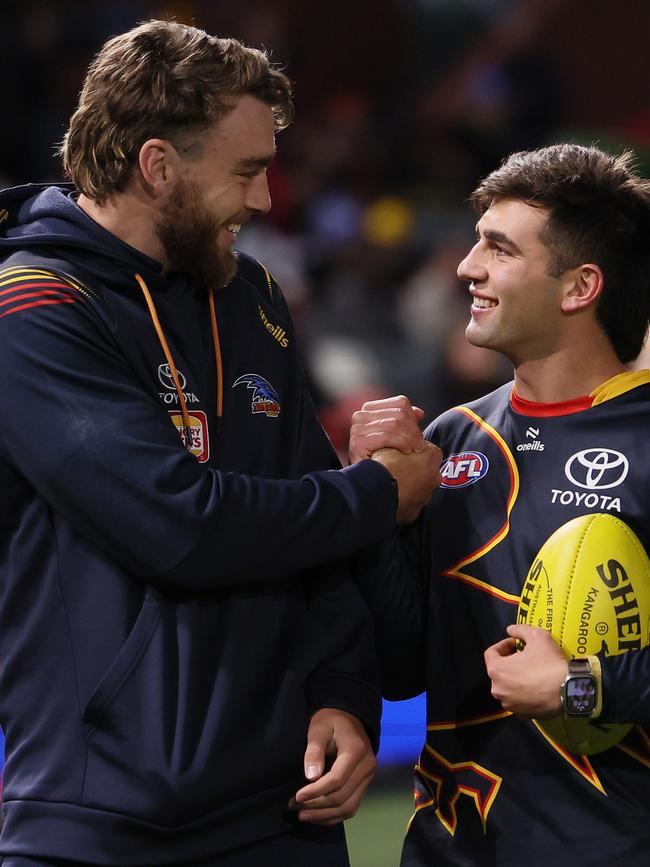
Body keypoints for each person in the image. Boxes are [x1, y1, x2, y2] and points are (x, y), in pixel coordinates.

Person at [0, 20, 442, 867]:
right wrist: (381, 491)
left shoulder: (254, 296)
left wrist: (344, 694)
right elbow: (181, 524)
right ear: (158, 165)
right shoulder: (32, 308)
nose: (267, 200)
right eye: (246, 172)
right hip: (97, 818)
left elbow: (312, 523)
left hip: (285, 810)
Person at [350, 143, 650, 866]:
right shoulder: (450, 439)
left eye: (499, 248)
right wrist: (370, 503)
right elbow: (401, 665)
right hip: (442, 846)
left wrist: (582, 687)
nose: (466, 267)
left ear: (579, 286)